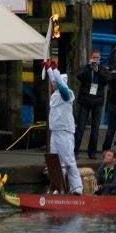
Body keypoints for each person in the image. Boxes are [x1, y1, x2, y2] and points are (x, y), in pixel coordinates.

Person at [44, 62, 83, 195]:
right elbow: (55, 80)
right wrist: (48, 68)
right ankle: (57, 187)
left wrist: (54, 69)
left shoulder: (67, 94)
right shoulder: (55, 94)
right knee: (55, 162)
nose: (52, 84)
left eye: (55, 82)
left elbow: (60, 85)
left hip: (65, 132)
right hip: (55, 131)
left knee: (68, 160)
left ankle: (77, 189)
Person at [73, 49, 111, 159]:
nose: (95, 60)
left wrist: (97, 71)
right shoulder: (85, 68)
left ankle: (92, 152)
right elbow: (79, 76)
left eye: (97, 58)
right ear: (90, 58)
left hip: (97, 102)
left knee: (95, 129)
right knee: (80, 127)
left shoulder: (102, 69)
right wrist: (89, 68)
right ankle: (75, 151)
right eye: (94, 58)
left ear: (100, 59)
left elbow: (106, 80)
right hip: (85, 101)